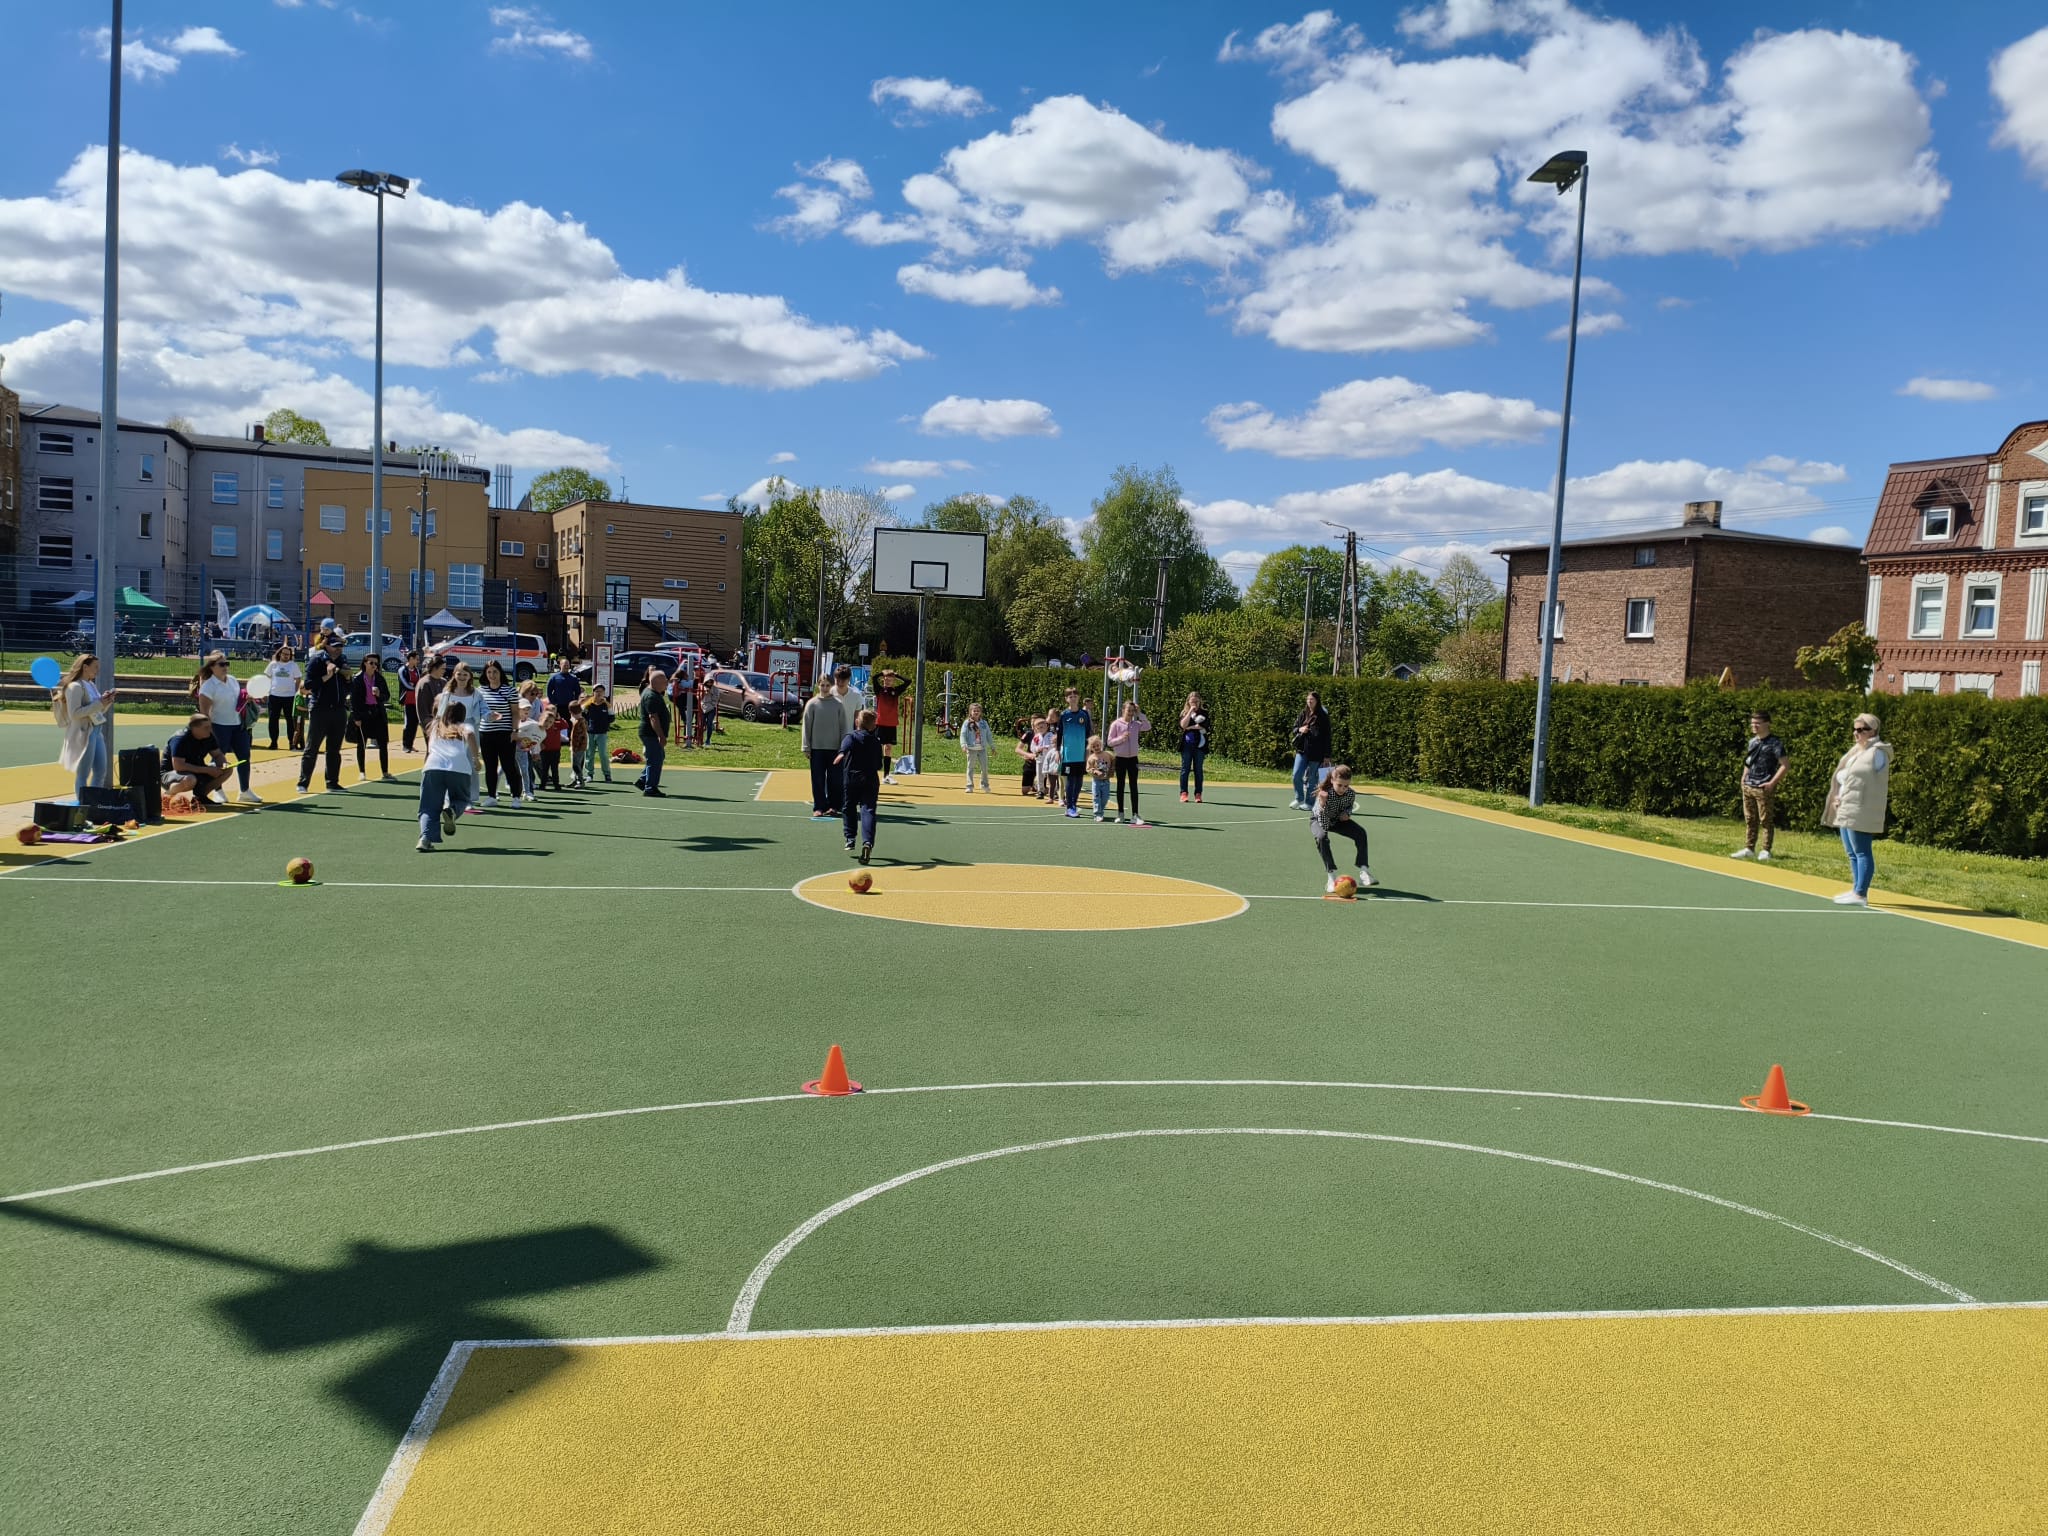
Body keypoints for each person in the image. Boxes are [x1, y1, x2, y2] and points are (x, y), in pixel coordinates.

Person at [1822, 713, 1890, 906]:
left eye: (1862, 729)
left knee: (1862, 852)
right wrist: (1838, 796)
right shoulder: (1856, 751)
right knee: (1851, 852)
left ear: (1873, 731)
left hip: (1861, 808)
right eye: (1855, 729)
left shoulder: (1878, 752)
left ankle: (1861, 893)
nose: (1857, 733)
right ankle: (1855, 889)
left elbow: (1867, 781)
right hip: (1846, 806)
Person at [192, 652, 261, 806]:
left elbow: (238, 700)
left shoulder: (232, 680)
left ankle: (245, 790)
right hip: (219, 727)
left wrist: (247, 698)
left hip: (238, 725)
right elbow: (204, 712)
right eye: (221, 664)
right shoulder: (208, 686)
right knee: (218, 759)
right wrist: (208, 731)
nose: (225, 667)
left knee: (244, 757)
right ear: (212, 667)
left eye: (226, 664)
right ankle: (218, 790)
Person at [416, 699, 478, 852]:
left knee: (428, 806)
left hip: (433, 766)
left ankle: (425, 839)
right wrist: (476, 759)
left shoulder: (435, 726)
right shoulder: (463, 726)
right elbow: (469, 734)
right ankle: (453, 810)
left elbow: (429, 749)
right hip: (459, 768)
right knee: (462, 798)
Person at [297, 632, 351, 795]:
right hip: (320, 708)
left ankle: (332, 783)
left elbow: (348, 685)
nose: (338, 650)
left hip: (339, 709)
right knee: (312, 748)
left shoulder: (343, 660)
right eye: (335, 647)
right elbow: (309, 684)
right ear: (326, 646)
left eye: (340, 647)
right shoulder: (317, 660)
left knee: (334, 749)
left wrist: (348, 680)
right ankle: (303, 783)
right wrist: (327, 676)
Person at [55, 654, 116, 796]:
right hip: (83, 733)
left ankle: (94, 803)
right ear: (85, 667)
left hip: (96, 730)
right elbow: (75, 713)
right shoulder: (74, 687)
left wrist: (106, 702)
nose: (97, 670)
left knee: (101, 771)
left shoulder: (91, 685)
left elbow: (97, 710)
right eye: (95, 667)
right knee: (83, 773)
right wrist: (99, 703)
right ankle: (83, 805)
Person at [1732, 709, 1789, 862]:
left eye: (1757, 723)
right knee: (1750, 819)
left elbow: (1785, 765)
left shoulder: (1775, 743)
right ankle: (1749, 848)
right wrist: (1744, 777)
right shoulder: (1753, 742)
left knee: (1766, 820)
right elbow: (1748, 761)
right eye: (1752, 723)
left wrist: (1772, 783)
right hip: (1749, 786)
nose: (1754, 726)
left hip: (1763, 787)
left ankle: (1765, 850)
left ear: (1767, 723)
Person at [1311, 764, 1373, 893]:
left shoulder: (1350, 793)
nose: (1343, 789)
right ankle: (1331, 876)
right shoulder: (1324, 794)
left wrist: (1347, 814)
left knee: (1360, 833)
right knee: (1322, 838)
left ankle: (1364, 871)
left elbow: (1349, 806)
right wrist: (1322, 803)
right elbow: (1321, 817)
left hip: (1338, 820)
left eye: (1346, 786)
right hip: (1319, 819)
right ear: (1333, 780)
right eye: (1339, 785)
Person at [834, 707, 885, 864]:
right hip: (870, 779)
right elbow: (878, 765)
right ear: (873, 726)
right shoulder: (876, 742)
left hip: (852, 778)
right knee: (868, 810)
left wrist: (842, 753)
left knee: (849, 807)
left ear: (857, 722)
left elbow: (846, 745)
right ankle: (867, 842)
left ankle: (850, 837)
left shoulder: (852, 736)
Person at [473, 661, 522, 807]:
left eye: (495, 672)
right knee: (490, 766)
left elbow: (515, 713)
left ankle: (516, 797)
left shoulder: (510, 691)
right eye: (489, 672)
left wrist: (515, 731)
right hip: (486, 734)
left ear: (500, 673)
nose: (492, 675)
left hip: (505, 733)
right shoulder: (480, 691)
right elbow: (478, 711)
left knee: (509, 766)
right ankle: (491, 796)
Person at [801, 681, 848, 819]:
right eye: (822, 685)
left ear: (831, 686)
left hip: (834, 749)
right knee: (818, 780)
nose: (825, 688)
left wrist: (843, 748)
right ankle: (819, 807)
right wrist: (806, 747)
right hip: (817, 749)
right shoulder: (812, 704)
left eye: (828, 685)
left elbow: (843, 727)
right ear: (818, 686)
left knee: (835, 780)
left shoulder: (838, 704)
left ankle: (834, 806)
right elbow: (806, 726)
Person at [164, 713, 233, 807]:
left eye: (210, 726)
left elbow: (217, 755)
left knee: (227, 769)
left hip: (196, 770)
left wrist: (223, 764)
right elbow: (178, 766)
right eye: (206, 727)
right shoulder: (180, 739)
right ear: (194, 728)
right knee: (190, 779)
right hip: (172, 773)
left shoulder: (208, 737)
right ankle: (166, 797)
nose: (210, 729)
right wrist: (207, 770)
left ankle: (200, 798)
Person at [440, 663, 483, 812]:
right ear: (454, 675)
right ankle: (448, 799)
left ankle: (470, 798)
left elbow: (481, 711)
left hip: (470, 728)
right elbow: (440, 715)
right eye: (459, 674)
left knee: (470, 764)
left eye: (465, 674)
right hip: (451, 730)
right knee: (451, 765)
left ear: (470, 676)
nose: (462, 677)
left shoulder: (475, 693)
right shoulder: (447, 693)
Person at [1107, 699, 1151, 826]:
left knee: (1133, 786)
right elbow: (1109, 741)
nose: (1131, 713)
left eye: (1133, 711)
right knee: (1120, 786)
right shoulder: (1116, 724)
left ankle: (1135, 814)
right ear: (1123, 710)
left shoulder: (1136, 724)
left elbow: (1148, 726)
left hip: (1133, 759)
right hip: (1120, 758)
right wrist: (1121, 739)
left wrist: (1140, 713)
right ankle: (1120, 813)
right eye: (1129, 710)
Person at [351, 656, 392, 780]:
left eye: (376, 664)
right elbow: (353, 700)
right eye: (371, 663)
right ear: (365, 663)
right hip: (363, 714)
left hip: (377, 713)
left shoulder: (379, 678)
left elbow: (387, 696)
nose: (374, 665)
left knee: (383, 743)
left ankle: (385, 772)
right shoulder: (357, 679)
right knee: (361, 744)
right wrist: (356, 717)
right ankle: (362, 771)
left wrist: (379, 694)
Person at [1290, 691, 1332, 810]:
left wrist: (1327, 755)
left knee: (1312, 778)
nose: (1309, 701)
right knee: (1296, 775)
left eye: (1312, 699)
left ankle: (1309, 802)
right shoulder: (1303, 713)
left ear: (1317, 701)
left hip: (1317, 752)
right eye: (1308, 699)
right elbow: (1294, 729)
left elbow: (1327, 737)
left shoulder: (1323, 717)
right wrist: (1300, 729)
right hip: (1302, 750)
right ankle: (1299, 798)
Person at [1056, 686, 1093, 818]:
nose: (1073, 698)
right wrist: (1057, 751)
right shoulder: (1064, 715)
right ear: (1066, 699)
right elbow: (1059, 734)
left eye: (1075, 696)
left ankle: (1074, 804)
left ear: (1079, 698)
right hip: (1068, 754)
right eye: (1070, 696)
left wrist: (1089, 751)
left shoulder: (1084, 715)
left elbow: (1089, 734)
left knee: (1079, 781)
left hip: (1081, 754)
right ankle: (1070, 807)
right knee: (1070, 781)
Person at [638, 669, 671, 796]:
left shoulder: (653, 693)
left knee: (658, 757)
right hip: (650, 734)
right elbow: (653, 717)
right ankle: (650, 787)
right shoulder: (651, 696)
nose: (667, 683)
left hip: (650, 733)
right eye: (665, 681)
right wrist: (660, 736)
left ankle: (643, 780)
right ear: (656, 682)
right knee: (655, 760)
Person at [263, 643, 303, 750]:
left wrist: (295, 691)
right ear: (280, 653)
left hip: (289, 697)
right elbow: (266, 678)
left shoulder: (293, 665)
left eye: (288, 654)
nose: (286, 656)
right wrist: (266, 691)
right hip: (274, 696)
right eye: (284, 654)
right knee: (273, 720)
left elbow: (298, 679)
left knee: (290, 720)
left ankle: (291, 742)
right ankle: (274, 742)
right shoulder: (273, 664)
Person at [871, 668, 905, 782]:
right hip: (880, 723)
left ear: (893, 681)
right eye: (885, 680)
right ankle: (872, 772)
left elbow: (908, 681)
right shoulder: (879, 690)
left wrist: (896, 674)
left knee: (888, 748)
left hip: (891, 724)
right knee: (877, 748)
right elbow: (874, 678)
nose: (887, 682)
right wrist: (882, 673)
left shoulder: (896, 691)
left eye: (890, 680)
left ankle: (886, 775)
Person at [1178, 692, 1212, 804]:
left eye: (1196, 702)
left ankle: (1198, 794)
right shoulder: (1184, 713)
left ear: (1200, 702)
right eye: (1192, 701)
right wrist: (1189, 712)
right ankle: (1183, 793)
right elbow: (1183, 725)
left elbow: (1204, 727)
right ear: (1188, 702)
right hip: (1187, 745)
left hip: (1199, 746)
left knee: (1198, 770)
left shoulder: (1204, 713)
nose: (1195, 704)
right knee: (1185, 769)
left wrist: (1190, 727)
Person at [584, 686, 616, 783]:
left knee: (603, 754)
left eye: (601, 692)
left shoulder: (606, 705)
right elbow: (582, 715)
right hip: (590, 732)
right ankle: (589, 774)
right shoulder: (588, 704)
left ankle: (607, 774)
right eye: (597, 691)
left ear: (604, 693)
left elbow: (612, 717)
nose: (599, 693)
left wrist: (605, 723)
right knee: (589, 754)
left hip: (602, 733)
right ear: (593, 692)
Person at [960, 701, 993, 792]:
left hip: (982, 748)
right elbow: (963, 735)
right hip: (971, 748)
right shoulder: (967, 723)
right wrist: (963, 745)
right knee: (970, 767)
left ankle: (984, 785)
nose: (976, 712)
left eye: (978, 711)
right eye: (974, 711)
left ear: (980, 712)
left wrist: (992, 746)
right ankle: (969, 785)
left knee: (984, 768)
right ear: (970, 712)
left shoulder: (984, 723)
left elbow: (989, 735)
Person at [415, 655, 448, 741]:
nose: (444, 671)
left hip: (443, 723)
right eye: (442, 669)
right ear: (434, 668)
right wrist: (428, 725)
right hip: (431, 724)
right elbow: (422, 708)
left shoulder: (444, 682)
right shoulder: (424, 683)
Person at [398, 650, 425, 753]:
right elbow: (405, 683)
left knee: (415, 723)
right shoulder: (402, 670)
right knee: (408, 723)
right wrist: (413, 686)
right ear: (411, 659)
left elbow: (419, 682)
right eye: (416, 659)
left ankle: (410, 744)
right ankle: (405, 745)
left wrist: (416, 686)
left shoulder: (417, 670)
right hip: (407, 700)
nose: (418, 661)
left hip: (416, 700)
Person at [538, 705, 567, 790]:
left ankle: (556, 784)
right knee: (544, 769)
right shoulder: (543, 726)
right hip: (545, 750)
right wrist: (540, 744)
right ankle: (543, 784)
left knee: (555, 769)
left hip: (555, 750)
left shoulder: (557, 724)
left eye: (554, 710)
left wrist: (559, 718)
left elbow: (565, 725)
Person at [1087, 734, 1114, 822]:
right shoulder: (1092, 758)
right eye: (1094, 747)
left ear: (1101, 744)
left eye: (1097, 745)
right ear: (1091, 748)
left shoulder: (1107, 754)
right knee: (1096, 797)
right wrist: (1095, 771)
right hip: (1096, 781)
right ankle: (1097, 814)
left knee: (1105, 798)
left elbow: (1113, 762)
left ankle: (1101, 810)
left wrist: (1112, 771)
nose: (1096, 748)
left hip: (1106, 781)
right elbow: (1088, 768)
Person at [1016, 715, 1039, 797]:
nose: (1032, 724)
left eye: (1035, 722)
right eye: (1031, 722)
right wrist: (1028, 755)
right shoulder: (1029, 733)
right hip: (1030, 763)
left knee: (1044, 790)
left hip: (1043, 763)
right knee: (1025, 791)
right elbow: (1018, 749)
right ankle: (1032, 783)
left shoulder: (1047, 734)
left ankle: (1040, 784)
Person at [567, 702, 589, 787]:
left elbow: (577, 737)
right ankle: (575, 780)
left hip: (577, 747)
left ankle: (580, 781)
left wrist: (574, 747)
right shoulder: (582, 720)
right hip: (582, 746)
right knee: (578, 764)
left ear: (571, 712)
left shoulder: (577, 723)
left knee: (576, 765)